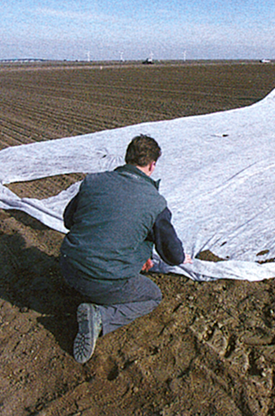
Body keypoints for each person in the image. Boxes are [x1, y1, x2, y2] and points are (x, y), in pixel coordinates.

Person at [59, 134, 192, 363]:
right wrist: (182, 258)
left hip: (68, 267)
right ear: (152, 165)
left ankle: (90, 293)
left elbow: (69, 220)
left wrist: (140, 253)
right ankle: (100, 316)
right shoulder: (155, 202)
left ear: (127, 158)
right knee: (152, 296)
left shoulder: (94, 181)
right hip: (102, 279)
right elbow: (172, 254)